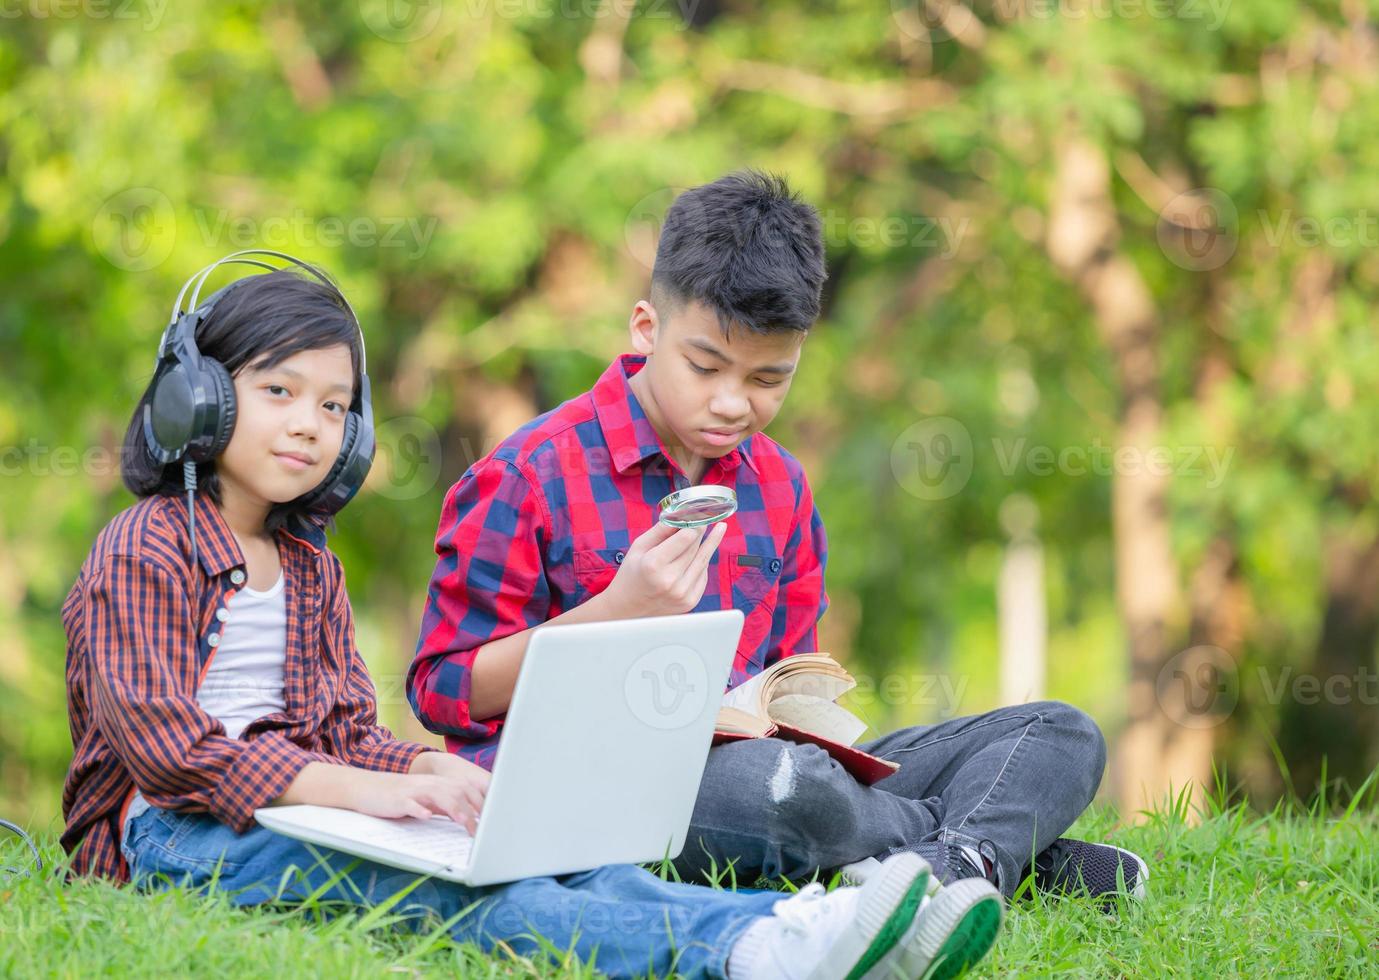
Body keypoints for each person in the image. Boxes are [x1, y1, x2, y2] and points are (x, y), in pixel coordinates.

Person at [59, 252, 1003, 980]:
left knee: (554, 861)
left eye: (336, 405)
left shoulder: (309, 567)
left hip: (300, 807)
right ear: (199, 398)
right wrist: (355, 792)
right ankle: (755, 952)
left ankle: (813, 929)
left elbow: (347, 730)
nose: (312, 424)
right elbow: (172, 753)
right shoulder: (144, 549)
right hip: (171, 836)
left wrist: (423, 770)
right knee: (464, 900)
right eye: (279, 392)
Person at [408, 172, 1148, 906]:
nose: (732, 402)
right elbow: (442, 691)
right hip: (596, 789)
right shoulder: (529, 474)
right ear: (646, 328)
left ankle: (935, 858)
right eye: (704, 366)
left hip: (764, 764)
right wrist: (616, 609)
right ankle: (981, 850)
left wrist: (797, 725)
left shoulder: (779, 485)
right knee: (774, 792)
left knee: (1060, 732)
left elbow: (789, 689)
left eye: (769, 378)